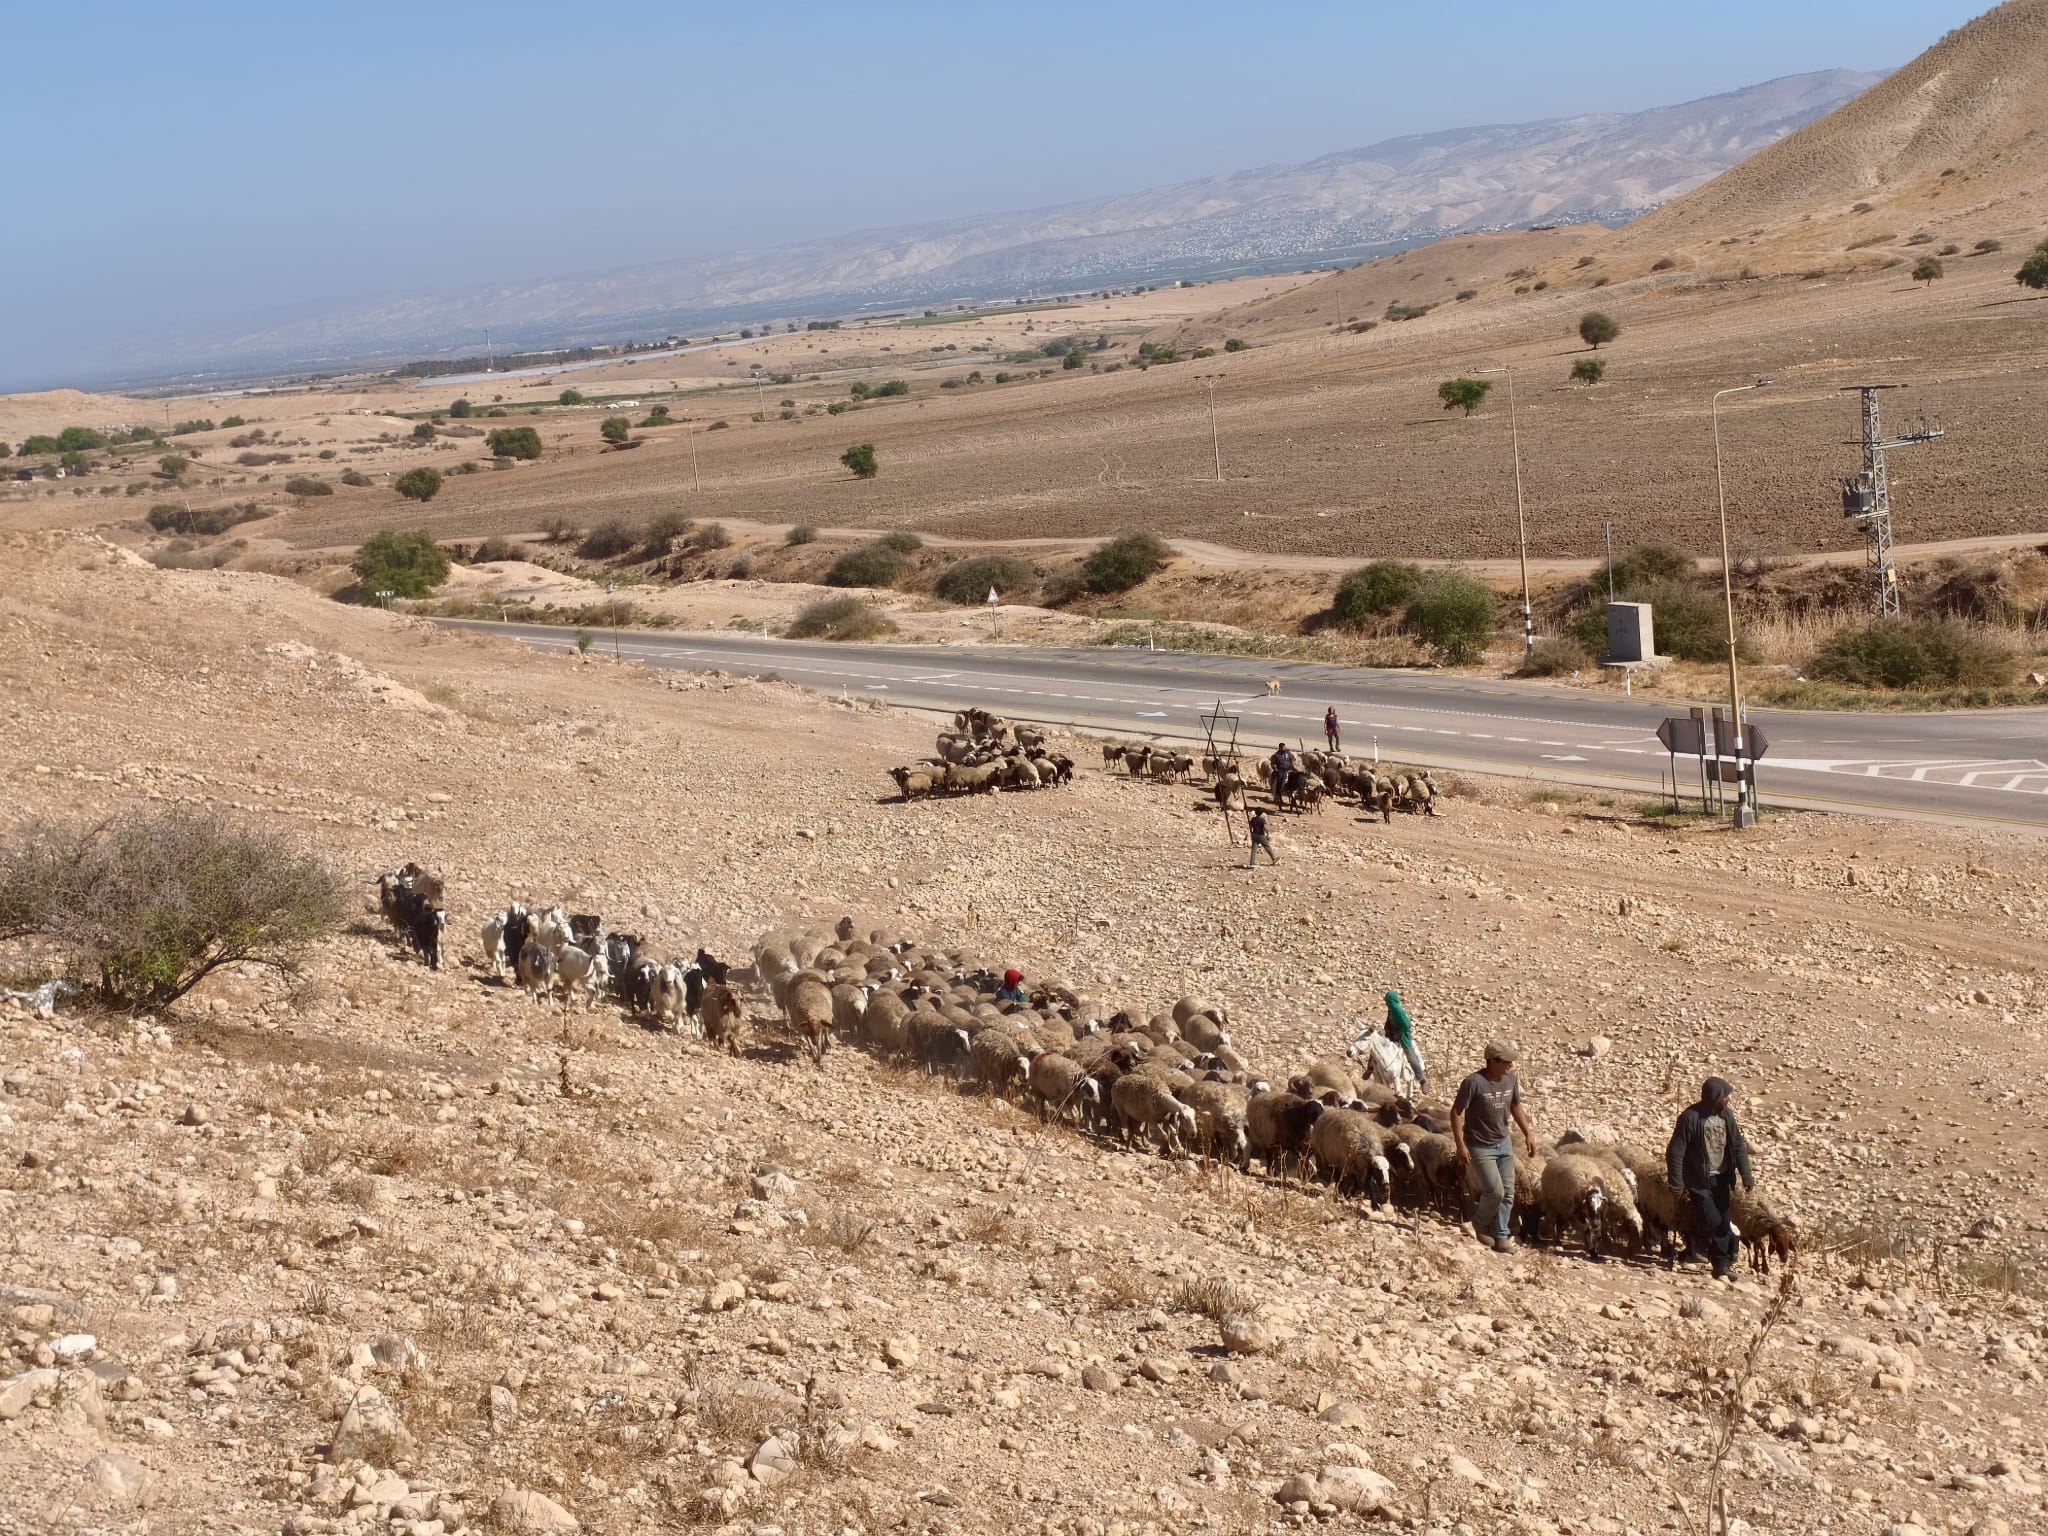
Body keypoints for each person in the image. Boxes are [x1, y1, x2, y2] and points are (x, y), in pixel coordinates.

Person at [1450, 1041, 1537, 1253]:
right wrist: (1460, 1145)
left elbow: (1515, 1106)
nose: (1510, 1064)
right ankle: (1479, 1223)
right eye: (1506, 1061)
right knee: (1494, 1190)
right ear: (1492, 1061)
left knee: (1508, 1192)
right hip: (1479, 1146)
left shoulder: (1510, 1080)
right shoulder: (1473, 1082)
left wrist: (1528, 1133)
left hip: (1503, 1142)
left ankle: (1501, 1236)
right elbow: (1456, 1112)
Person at [1667, 1077, 1754, 1280]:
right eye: (1724, 1096)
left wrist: (1746, 1175)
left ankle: (1721, 1265)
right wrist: (1676, 1184)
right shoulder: (1690, 1117)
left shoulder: (1726, 1116)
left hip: (1722, 1178)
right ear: (1714, 1096)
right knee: (1713, 1219)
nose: (1727, 1100)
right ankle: (1698, 1247)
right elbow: (1675, 1152)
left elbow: (1738, 1146)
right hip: (1698, 1180)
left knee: (1723, 1220)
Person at [1382, 990, 1427, 1089]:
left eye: (1387, 1001)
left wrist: (1399, 1034)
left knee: (1411, 1057)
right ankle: (1370, 1069)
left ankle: (1422, 1079)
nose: (1386, 1003)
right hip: (1391, 1035)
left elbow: (1407, 1025)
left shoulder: (1398, 1011)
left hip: (1402, 1038)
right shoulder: (1391, 1010)